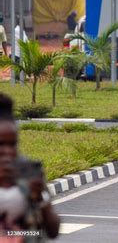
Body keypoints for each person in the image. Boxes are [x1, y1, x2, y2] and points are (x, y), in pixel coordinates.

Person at [0, 93, 60, 239]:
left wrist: (40, 200)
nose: (8, 152)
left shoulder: (28, 171)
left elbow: (53, 231)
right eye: (0, 144)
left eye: (12, 144)